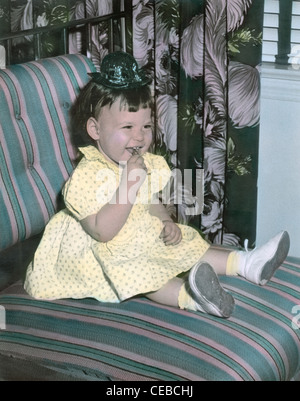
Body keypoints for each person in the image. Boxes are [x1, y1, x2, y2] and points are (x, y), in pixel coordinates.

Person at [24, 51, 290, 318]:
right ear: (95, 130)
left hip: (139, 234)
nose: (139, 137)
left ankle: (248, 264)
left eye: (147, 126)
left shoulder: (141, 162)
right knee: (143, 269)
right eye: (127, 127)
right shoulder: (86, 176)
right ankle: (194, 298)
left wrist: (165, 222)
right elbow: (101, 232)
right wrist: (127, 184)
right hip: (101, 252)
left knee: (187, 243)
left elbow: (150, 200)